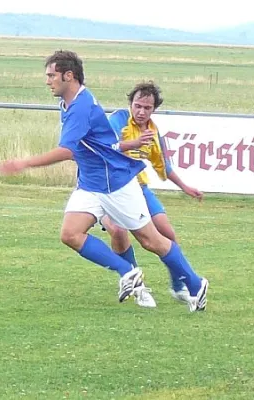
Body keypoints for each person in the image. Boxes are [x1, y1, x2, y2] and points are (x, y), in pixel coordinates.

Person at [0, 50, 208, 312]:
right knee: (70, 234)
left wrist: (24, 163)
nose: (47, 81)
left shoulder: (81, 107)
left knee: (151, 240)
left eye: (52, 75)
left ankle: (194, 283)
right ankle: (127, 271)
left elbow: (68, 150)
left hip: (114, 183)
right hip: (91, 182)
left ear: (68, 75)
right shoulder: (70, 102)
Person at [101, 81, 203, 304]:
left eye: (147, 108)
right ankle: (138, 288)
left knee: (168, 235)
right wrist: (134, 143)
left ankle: (178, 286)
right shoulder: (117, 120)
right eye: (137, 106)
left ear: (154, 109)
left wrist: (185, 187)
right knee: (118, 232)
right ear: (130, 104)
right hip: (109, 187)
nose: (141, 111)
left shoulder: (154, 132)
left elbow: (163, 165)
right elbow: (107, 148)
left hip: (139, 187)